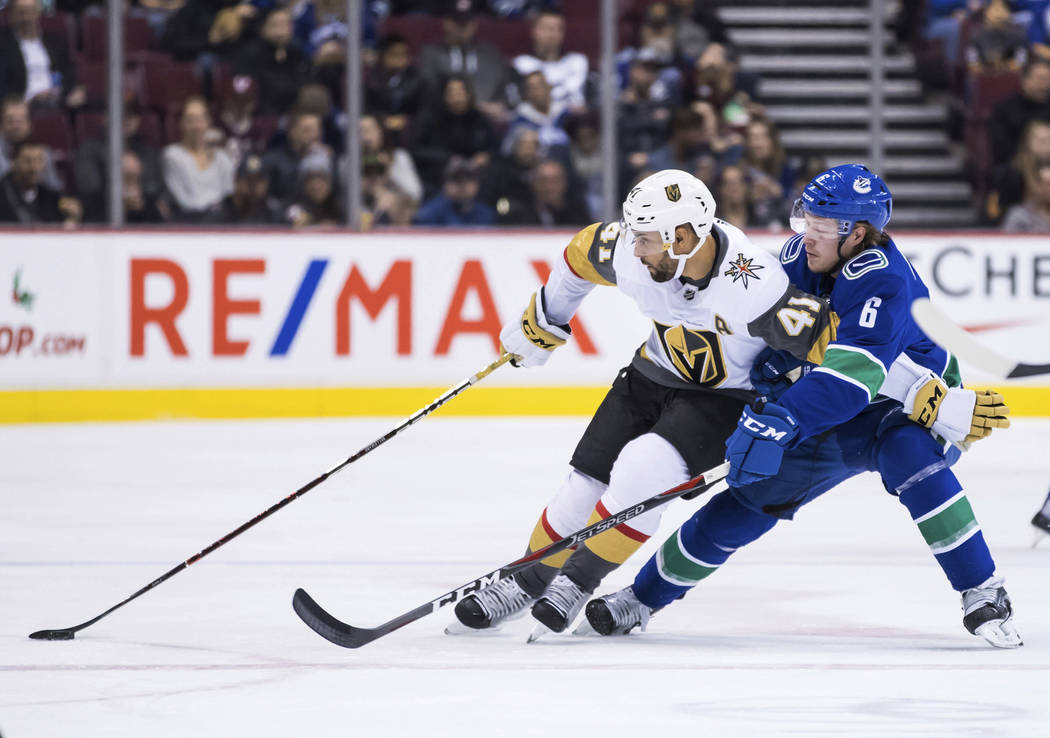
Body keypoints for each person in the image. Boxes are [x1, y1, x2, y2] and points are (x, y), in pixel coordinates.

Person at [583, 165, 1020, 649]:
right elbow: (773, 342)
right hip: (831, 409)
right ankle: (642, 598)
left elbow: (852, 377)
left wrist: (783, 417)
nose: (805, 236)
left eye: (820, 228)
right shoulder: (797, 257)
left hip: (897, 411)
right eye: (804, 220)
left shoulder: (883, 280)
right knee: (747, 499)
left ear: (856, 234)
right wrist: (768, 399)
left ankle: (984, 590)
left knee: (912, 459)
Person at [451, 168, 843, 638]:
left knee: (644, 467)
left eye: (647, 240)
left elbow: (846, 348)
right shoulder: (631, 252)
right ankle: (527, 580)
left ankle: (576, 583)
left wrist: (922, 391)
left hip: (723, 399)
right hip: (649, 376)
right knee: (583, 484)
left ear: (683, 238)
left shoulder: (754, 285)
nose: (635, 249)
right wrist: (546, 319)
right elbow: (581, 253)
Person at [0, 0, 86, 109]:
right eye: (21, 13)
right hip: (23, 105)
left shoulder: (55, 43)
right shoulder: (3, 45)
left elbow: (69, 72)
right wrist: (28, 100)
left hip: (57, 103)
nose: (26, 18)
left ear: (38, 13)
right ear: (11, 15)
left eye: (30, 12)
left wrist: (75, 90)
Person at [162, 96, 235, 220]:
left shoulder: (223, 158)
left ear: (208, 122)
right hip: (186, 222)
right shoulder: (172, 156)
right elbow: (183, 200)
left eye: (200, 119)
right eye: (190, 120)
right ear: (182, 124)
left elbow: (228, 195)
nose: (196, 126)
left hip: (219, 223)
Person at [0, 140, 81, 225]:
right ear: (14, 162)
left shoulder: (53, 198)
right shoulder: (2, 194)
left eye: (39, 160)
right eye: (27, 161)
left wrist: (72, 217)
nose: (34, 168)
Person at [1001, 160, 1050, 231]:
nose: (1048, 189)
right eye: (1044, 184)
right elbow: (1005, 241)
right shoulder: (1019, 216)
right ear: (1035, 186)